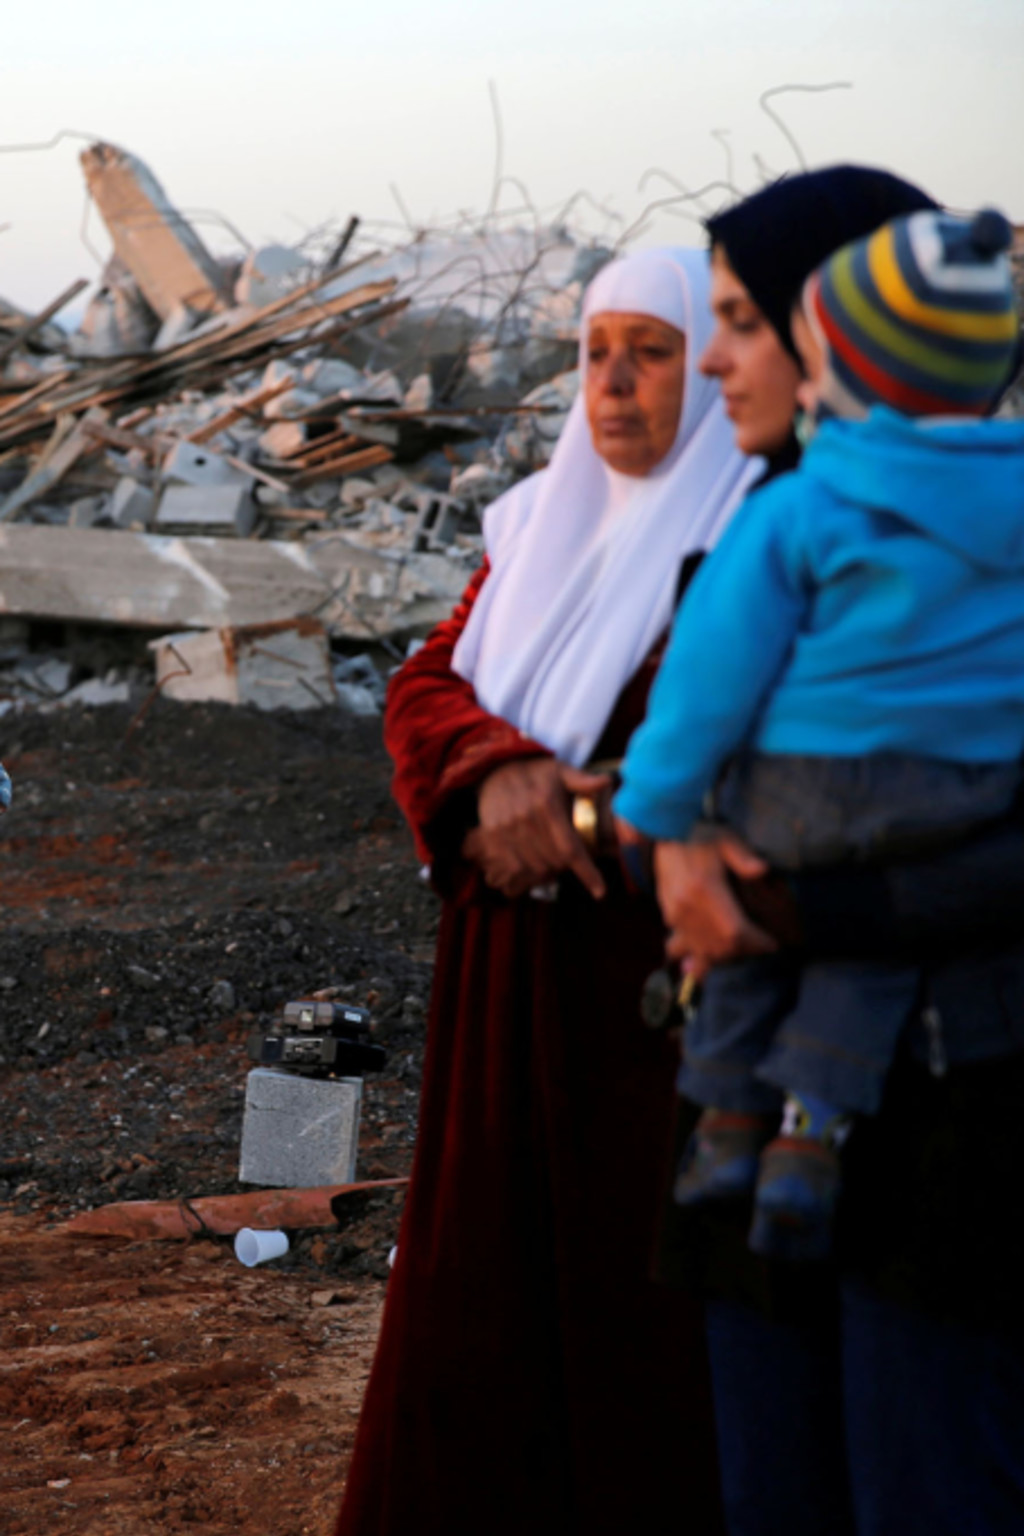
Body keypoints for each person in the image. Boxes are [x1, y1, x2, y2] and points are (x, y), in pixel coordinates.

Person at [333, 247, 760, 1536]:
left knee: (648, 1349)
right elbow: (427, 686)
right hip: (502, 1002)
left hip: (652, 1017)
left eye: (655, 350)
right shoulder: (535, 529)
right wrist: (491, 771)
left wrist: (562, 805)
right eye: (596, 352)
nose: (618, 384)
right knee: (485, 1319)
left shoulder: (750, 537)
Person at [649, 168, 1024, 1536]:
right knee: (776, 1491)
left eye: (744, 318)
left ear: (835, 332)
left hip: (947, 1118)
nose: (712, 355)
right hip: (745, 1117)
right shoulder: (753, 531)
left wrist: (787, 912)